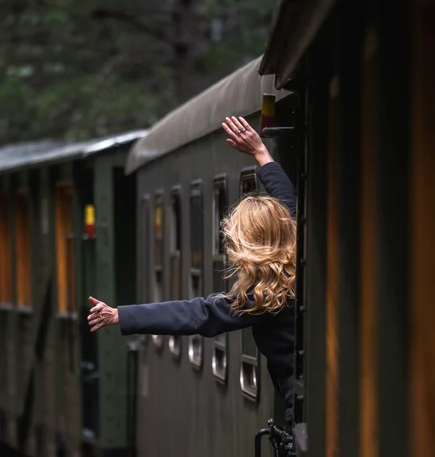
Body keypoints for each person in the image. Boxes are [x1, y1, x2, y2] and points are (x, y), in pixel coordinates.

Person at [87, 115, 297, 422]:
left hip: (298, 409)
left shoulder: (265, 297)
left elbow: (198, 314)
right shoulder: (301, 252)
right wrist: (261, 154)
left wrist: (121, 315)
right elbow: (287, 204)